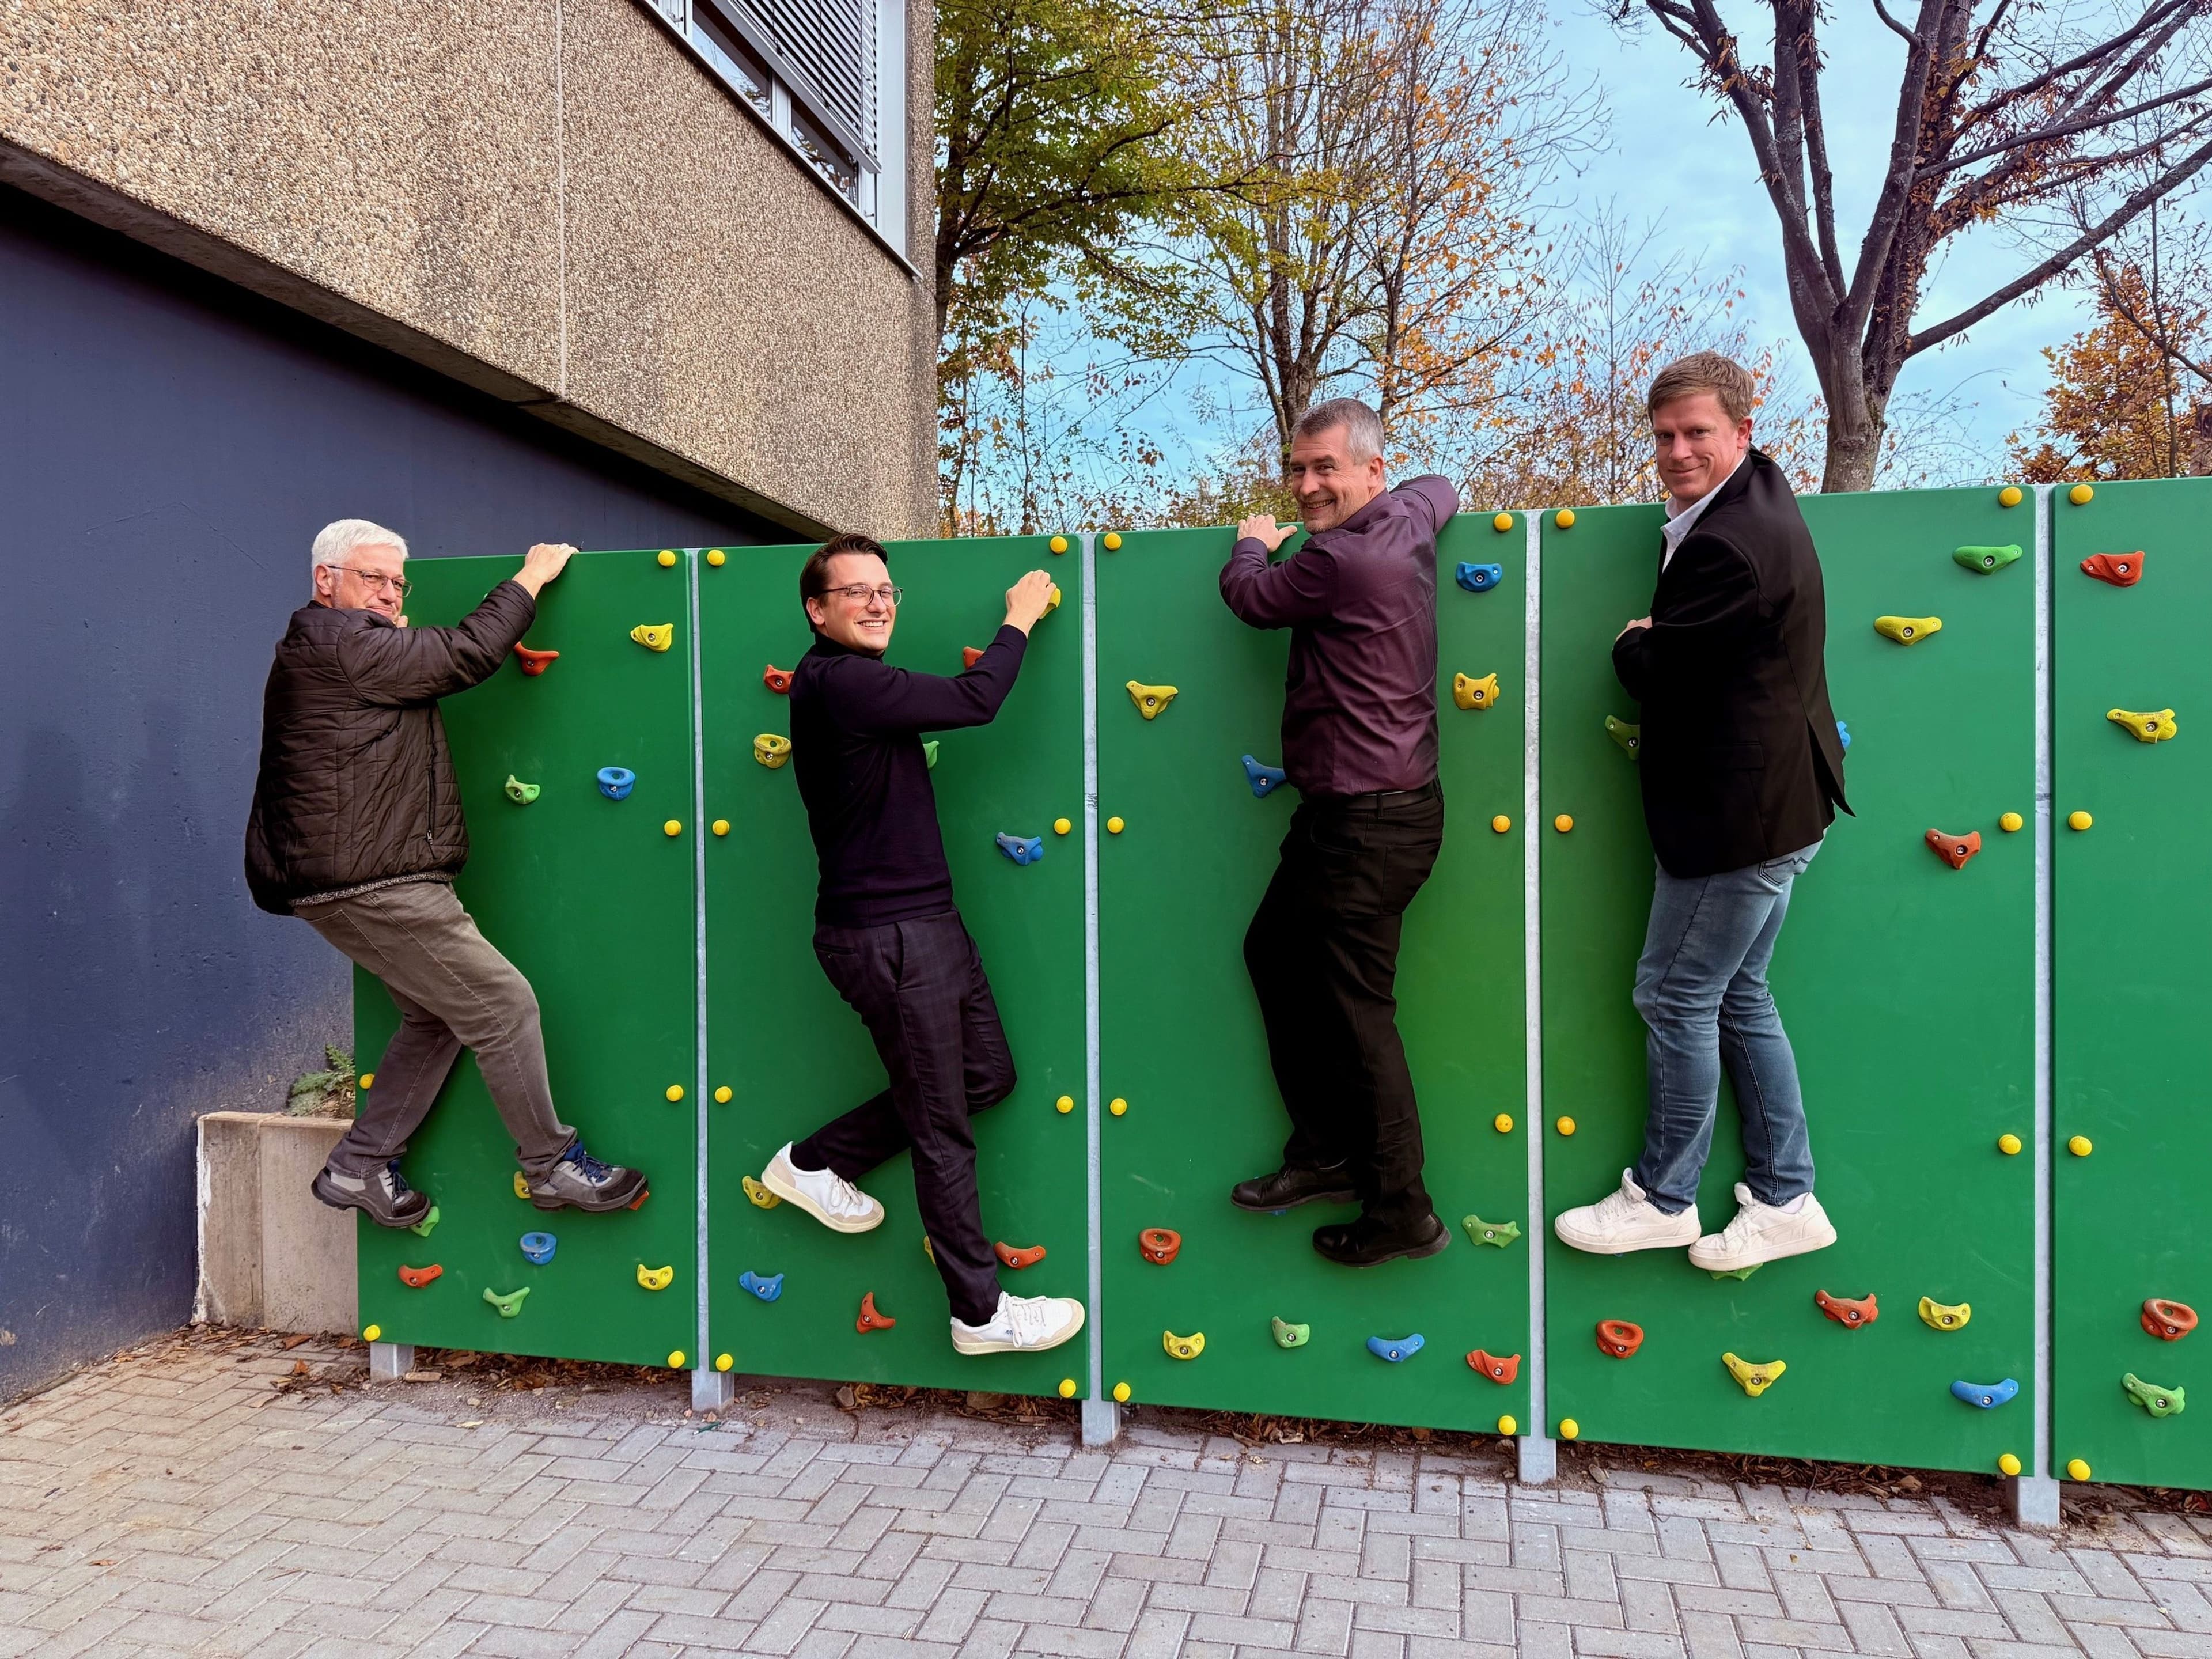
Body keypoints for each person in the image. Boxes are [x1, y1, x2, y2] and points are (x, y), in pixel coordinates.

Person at [246, 520, 650, 1226]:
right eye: (372, 577)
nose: (388, 591)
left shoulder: (337, 646)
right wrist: (530, 579)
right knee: (503, 1005)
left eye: (398, 582)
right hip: (373, 878)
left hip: (342, 877)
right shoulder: (339, 642)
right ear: (325, 580)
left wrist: (392, 635)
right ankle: (551, 1165)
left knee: (436, 1015)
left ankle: (361, 1168)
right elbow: (464, 654)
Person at [1553, 352, 1850, 1272]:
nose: (1677, 452)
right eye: (1664, 435)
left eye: (1696, 435)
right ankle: (1785, 1195)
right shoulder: (1751, 498)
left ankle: (1664, 1196)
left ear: (1742, 431)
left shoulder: (1729, 544)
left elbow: (1661, 673)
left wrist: (1635, 643)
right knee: (1738, 995)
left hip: (1738, 816)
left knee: (1673, 994)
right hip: (1780, 803)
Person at [757, 533, 1085, 1356]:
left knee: (984, 1077)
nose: (877, 603)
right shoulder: (840, 683)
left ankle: (813, 1162)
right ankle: (980, 1314)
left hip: (925, 926)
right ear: (817, 609)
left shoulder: (850, 684)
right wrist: (1020, 618)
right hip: (891, 938)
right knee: (943, 1129)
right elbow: (977, 700)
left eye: (887, 591)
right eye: (856, 592)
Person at [1219, 399, 1460, 1268]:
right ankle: (1322, 1154)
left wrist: (1253, 537)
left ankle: (1403, 1209)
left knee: (1359, 1014)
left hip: (1366, 822)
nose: (1307, 485)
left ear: (1371, 471)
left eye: (1325, 468)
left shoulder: (1340, 560)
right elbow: (1444, 484)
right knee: (1274, 955)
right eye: (1298, 469)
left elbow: (1248, 596)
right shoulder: (1409, 515)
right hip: (1362, 816)